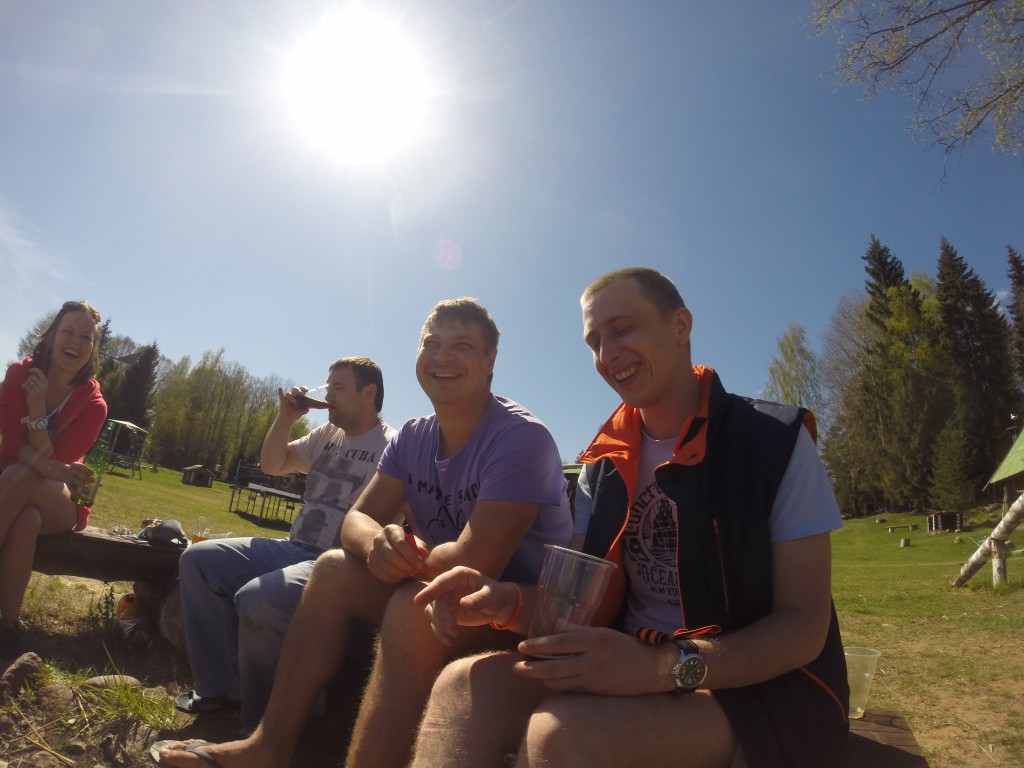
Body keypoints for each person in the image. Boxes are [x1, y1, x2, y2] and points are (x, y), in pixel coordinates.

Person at [412, 268, 850, 768]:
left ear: (680, 325)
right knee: (460, 690)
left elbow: (803, 625)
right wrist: (505, 600)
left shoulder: (774, 441)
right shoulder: (601, 464)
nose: (606, 354)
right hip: (626, 666)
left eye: (622, 329)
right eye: (594, 342)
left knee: (561, 735)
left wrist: (660, 668)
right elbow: (574, 606)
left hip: (762, 691)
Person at [152, 298, 572, 768]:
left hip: (517, 610)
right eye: (431, 343)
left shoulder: (519, 437)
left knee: (411, 606)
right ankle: (267, 746)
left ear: (491, 359)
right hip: (436, 586)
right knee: (333, 569)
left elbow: (474, 564)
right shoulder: (413, 436)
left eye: (462, 345)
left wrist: (397, 554)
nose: (442, 357)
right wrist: (377, 543)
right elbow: (356, 519)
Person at [173, 357, 396, 731]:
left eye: (338, 388)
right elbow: (273, 464)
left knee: (258, 599)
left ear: (368, 392)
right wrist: (286, 418)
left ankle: (262, 726)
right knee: (197, 559)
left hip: (341, 563)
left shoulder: (392, 446)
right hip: (293, 547)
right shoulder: (326, 434)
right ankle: (220, 689)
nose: (328, 396)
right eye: (328, 387)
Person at [0, 300, 107, 661]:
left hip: (61, 500)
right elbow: (13, 448)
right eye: (68, 331)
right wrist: (34, 407)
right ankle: (9, 628)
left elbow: (55, 463)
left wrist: (36, 410)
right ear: (51, 337)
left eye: (86, 337)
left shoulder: (94, 405)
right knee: (25, 517)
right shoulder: (20, 374)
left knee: (22, 476)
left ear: (92, 349)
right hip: (15, 485)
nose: (75, 341)